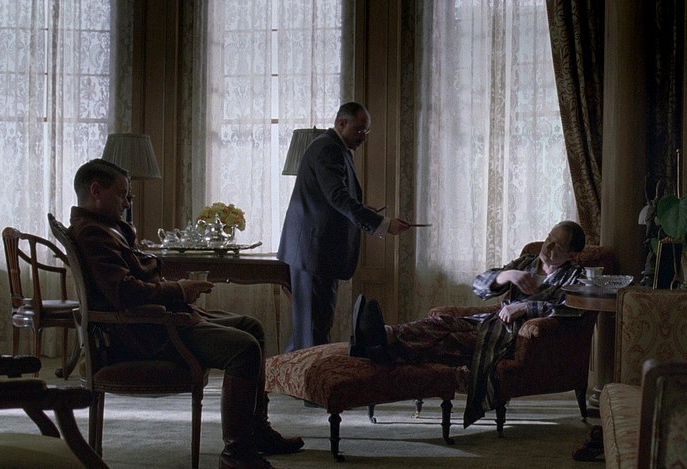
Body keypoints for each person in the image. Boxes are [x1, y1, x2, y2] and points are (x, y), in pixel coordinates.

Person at [69, 158, 303, 469]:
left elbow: (129, 283)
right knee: (244, 348)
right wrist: (179, 290)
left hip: (156, 319)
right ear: (96, 191)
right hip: (146, 332)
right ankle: (237, 454)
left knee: (251, 326)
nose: (126, 203)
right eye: (122, 195)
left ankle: (256, 432)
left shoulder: (105, 228)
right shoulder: (93, 234)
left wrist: (177, 291)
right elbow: (124, 292)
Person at [351, 220, 586, 427]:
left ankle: (377, 341)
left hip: (511, 337)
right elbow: (479, 285)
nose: (548, 246)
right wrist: (507, 275)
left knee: (450, 339)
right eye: (549, 238)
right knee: (442, 322)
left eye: (557, 246)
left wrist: (525, 307)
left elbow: (572, 308)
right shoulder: (527, 262)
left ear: (572, 255)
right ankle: (383, 337)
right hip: (489, 322)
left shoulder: (576, 276)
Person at [278, 102, 412, 352]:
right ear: (342, 123)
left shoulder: (337, 148)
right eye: (359, 130)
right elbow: (337, 197)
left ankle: (290, 373)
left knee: (310, 329)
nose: (363, 137)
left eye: (366, 131)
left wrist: (363, 210)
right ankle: (304, 375)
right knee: (313, 331)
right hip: (313, 252)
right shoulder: (328, 148)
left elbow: (330, 200)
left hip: (315, 251)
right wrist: (383, 225)